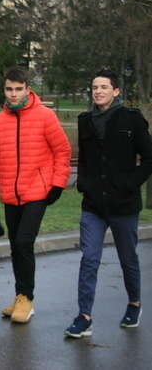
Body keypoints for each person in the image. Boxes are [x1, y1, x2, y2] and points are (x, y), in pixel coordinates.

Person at [64, 69, 152, 338]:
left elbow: (149, 159)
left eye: (104, 87)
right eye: (94, 87)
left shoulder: (132, 120)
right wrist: (83, 184)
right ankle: (84, 316)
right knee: (89, 259)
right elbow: (88, 159)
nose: (98, 91)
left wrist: (129, 183)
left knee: (128, 258)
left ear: (116, 91)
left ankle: (134, 304)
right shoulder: (86, 120)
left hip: (124, 204)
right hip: (93, 205)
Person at [0, 67, 71, 324]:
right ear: (4, 90)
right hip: (10, 194)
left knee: (23, 243)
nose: (13, 94)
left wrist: (57, 185)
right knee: (14, 246)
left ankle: (27, 299)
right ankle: (20, 296)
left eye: (18, 89)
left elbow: (63, 151)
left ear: (28, 90)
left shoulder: (45, 116)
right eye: (9, 89)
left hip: (37, 191)